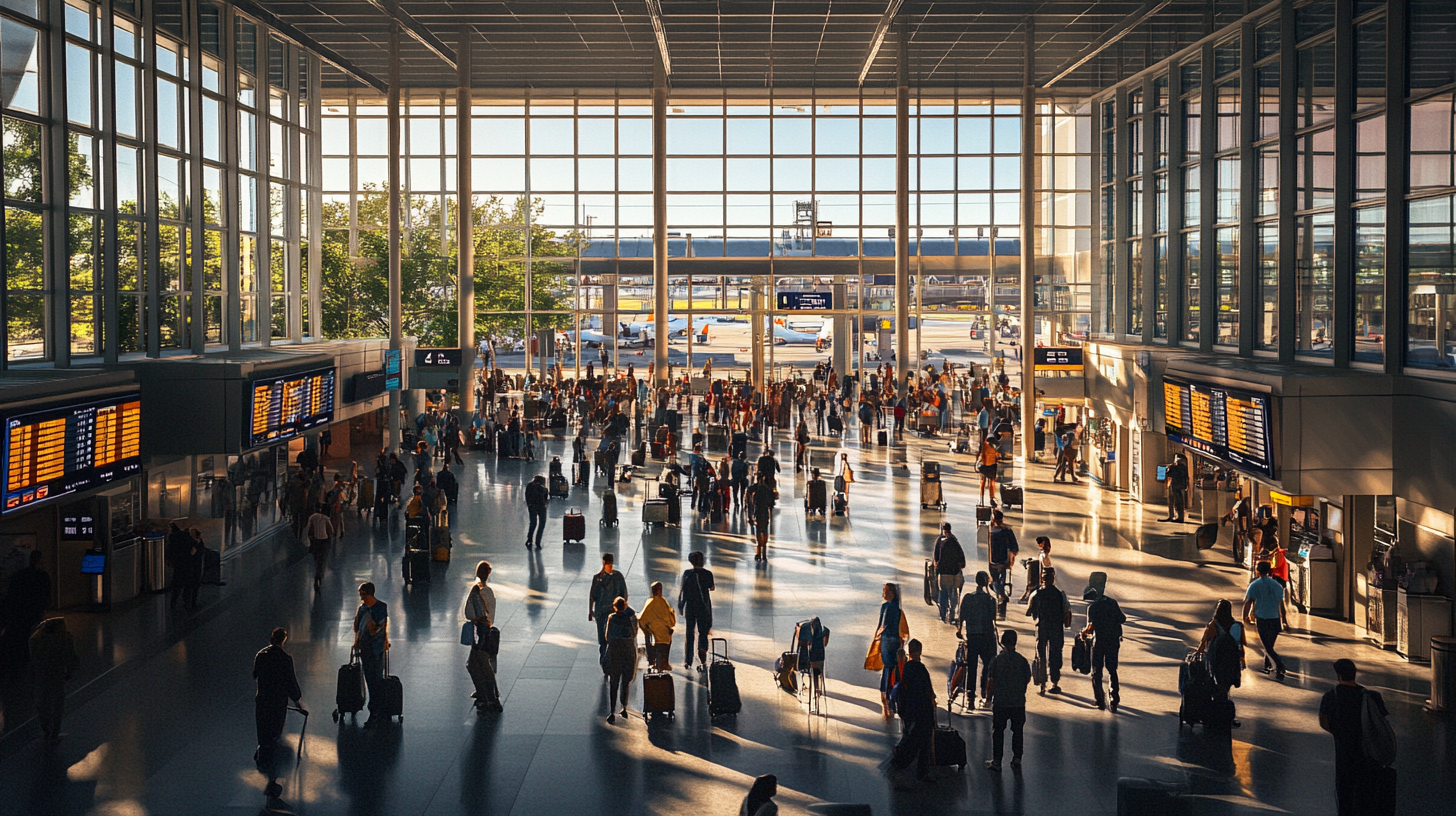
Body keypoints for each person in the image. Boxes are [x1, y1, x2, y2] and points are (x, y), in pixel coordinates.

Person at [1319, 659, 1392, 816]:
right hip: (1370, 754)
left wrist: (1338, 732)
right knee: (1368, 794)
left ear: (1339, 675)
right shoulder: (1372, 696)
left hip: (1344, 754)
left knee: (1345, 793)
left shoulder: (1330, 697)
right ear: (1355, 673)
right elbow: (1382, 721)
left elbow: (1324, 722)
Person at [887, 638, 937, 785]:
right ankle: (919, 772)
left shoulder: (906, 668)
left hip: (910, 709)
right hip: (922, 710)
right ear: (919, 652)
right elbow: (927, 691)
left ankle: (900, 764)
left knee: (911, 738)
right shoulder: (921, 669)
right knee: (922, 743)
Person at [252, 627, 304, 761]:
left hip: (263, 698)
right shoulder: (285, 659)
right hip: (278, 701)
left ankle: (262, 750)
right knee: (275, 728)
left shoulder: (261, 655)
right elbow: (291, 682)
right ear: (284, 640)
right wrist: (297, 701)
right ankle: (272, 759)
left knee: (263, 726)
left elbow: (254, 674)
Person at [984, 629, 1031, 771]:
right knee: (1018, 731)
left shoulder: (997, 660)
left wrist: (988, 698)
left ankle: (997, 761)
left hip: (1001, 702)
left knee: (998, 731)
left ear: (1002, 642)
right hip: (1018, 702)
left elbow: (991, 681)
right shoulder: (1022, 660)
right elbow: (1027, 678)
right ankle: (1017, 758)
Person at [1196, 598, 1247, 723]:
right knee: (1225, 685)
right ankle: (1225, 712)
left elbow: (1204, 642)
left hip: (1215, 660)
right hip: (1231, 661)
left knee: (1214, 683)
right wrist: (1242, 660)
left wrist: (1199, 653)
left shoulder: (1214, 625)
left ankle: (1213, 711)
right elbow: (1240, 644)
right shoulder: (1236, 626)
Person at [28, 616, 78, 745]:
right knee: (57, 705)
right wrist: (70, 670)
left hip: (41, 677)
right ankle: (55, 733)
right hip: (57, 675)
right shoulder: (63, 640)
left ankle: (46, 731)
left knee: (43, 704)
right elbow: (72, 657)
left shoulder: (36, 640)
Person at [463, 560, 503, 713]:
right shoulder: (489, 592)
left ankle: (488, 696)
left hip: (480, 633)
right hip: (487, 632)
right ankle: (490, 695)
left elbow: (469, 613)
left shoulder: (477, 592)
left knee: (476, 665)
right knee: (482, 665)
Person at [1081, 583, 1127, 711]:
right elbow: (1122, 619)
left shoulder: (1093, 607)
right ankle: (1114, 700)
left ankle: (1100, 700)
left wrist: (1083, 634)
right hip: (1113, 641)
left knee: (1096, 671)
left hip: (1099, 641)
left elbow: (1090, 627)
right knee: (1112, 670)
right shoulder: (1112, 603)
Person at [956, 571, 999, 709]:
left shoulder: (968, 598)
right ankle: (984, 693)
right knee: (988, 665)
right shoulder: (991, 600)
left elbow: (962, 615)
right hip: (987, 636)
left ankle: (970, 698)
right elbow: (993, 617)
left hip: (973, 636)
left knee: (972, 666)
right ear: (986, 582)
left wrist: (960, 630)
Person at [1, 549, 50, 669]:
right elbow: (46, 595)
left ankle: (17, 658)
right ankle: (30, 656)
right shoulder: (42, 576)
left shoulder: (18, 576)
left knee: (20, 633)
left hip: (19, 611)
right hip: (34, 610)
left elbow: (10, 595)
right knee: (33, 633)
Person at [1027, 566, 1071, 695]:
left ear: (1042, 579)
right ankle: (1055, 683)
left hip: (1042, 628)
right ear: (1053, 579)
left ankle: (1042, 684)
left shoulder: (1036, 594)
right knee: (1055, 654)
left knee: (1041, 654)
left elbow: (1029, 611)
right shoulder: (1060, 594)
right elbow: (1066, 611)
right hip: (1056, 629)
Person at [352, 582, 389, 728]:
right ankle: (376, 710)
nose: (361, 597)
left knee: (376, 679)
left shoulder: (380, 607)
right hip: (366, 648)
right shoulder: (362, 608)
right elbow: (357, 628)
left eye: (363, 593)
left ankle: (376, 710)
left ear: (369, 593)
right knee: (370, 678)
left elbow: (380, 628)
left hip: (376, 649)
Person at [1243, 560, 1288, 679]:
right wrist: (1284, 619)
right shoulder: (1277, 585)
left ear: (1258, 571)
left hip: (1262, 618)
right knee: (1269, 645)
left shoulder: (1254, 585)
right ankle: (1267, 665)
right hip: (1275, 618)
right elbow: (1281, 603)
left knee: (1267, 646)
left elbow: (1248, 602)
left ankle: (1279, 665)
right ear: (1269, 570)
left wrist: (1245, 617)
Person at [874, 582, 910, 717]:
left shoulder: (886, 607)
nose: (885, 594)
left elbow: (881, 626)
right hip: (894, 640)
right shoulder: (897, 609)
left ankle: (886, 691)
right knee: (893, 666)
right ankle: (890, 691)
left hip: (887, 641)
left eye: (887, 591)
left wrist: (878, 637)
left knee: (888, 667)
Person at [677, 551, 715, 671]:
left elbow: (683, 590)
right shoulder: (708, 574)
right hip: (703, 606)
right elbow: (712, 587)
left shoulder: (687, 573)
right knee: (703, 632)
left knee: (690, 632)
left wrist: (681, 606)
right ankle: (702, 657)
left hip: (690, 606)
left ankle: (688, 660)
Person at [589, 553, 629, 667]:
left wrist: (622, 607)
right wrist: (590, 610)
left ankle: (608, 659)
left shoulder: (617, 577)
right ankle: (604, 659)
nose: (610, 567)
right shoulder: (598, 578)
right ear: (604, 563)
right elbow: (592, 595)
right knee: (602, 638)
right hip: (601, 612)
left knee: (611, 637)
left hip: (613, 611)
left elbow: (624, 594)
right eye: (608, 564)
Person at [603, 596, 639, 722]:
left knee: (614, 681)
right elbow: (635, 633)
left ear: (614, 606)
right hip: (628, 650)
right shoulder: (631, 617)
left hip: (615, 652)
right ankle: (624, 706)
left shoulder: (611, 618)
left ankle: (612, 710)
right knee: (625, 681)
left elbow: (607, 636)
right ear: (625, 605)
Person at [932, 522, 967, 624]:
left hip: (944, 573)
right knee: (954, 593)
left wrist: (936, 570)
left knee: (944, 593)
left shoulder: (940, 541)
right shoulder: (954, 541)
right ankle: (952, 613)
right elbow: (961, 556)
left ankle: (943, 614)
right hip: (954, 572)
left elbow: (936, 557)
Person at [638, 581, 677, 671]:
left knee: (651, 639)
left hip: (653, 630)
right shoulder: (662, 601)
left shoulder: (650, 602)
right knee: (667, 640)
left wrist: (647, 629)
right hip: (663, 631)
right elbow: (669, 617)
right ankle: (665, 662)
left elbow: (643, 619)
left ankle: (653, 661)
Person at [988, 510, 1019, 617]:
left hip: (994, 563)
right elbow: (1014, 547)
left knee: (996, 583)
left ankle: (1001, 599)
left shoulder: (991, 531)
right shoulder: (1007, 531)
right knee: (999, 582)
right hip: (1004, 562)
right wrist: (1011, 559)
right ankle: (1001, 605)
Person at [796, 617, 831, 698]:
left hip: (806, 657)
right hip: (819, 656)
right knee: (818, 672)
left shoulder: (804, 628)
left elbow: (800, 642)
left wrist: (798, 629)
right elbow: (825, 644)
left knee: (807, 670)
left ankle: (805, 687)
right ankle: (818, 689)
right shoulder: (825, 630)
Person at [305, 503, 334, 590]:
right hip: (324, 541)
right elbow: (331, 531)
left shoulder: (313, 517)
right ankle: (320, 575)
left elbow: (308, 527)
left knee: (316, 558)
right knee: (322, 558)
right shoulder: (326, 518)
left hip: (315, 540)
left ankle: (317, 573)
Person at [1018, 536, 1053, 604]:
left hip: (1040, 575)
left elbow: (1045, 566)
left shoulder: (1042, 555)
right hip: (1040, 575)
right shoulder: (1043, 554)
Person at [750, 472, 776, 561]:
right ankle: (764, 551)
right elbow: (771, 503)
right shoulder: (768, 489)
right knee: (764, 530)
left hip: (758, 512)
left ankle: (758, 551)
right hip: (765, 512)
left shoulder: (756, 488)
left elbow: (748, 491)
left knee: (758, 531)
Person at [1161, 453, 1189, 522]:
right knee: (1177, 502)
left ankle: (1176, 516)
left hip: (1175, 485)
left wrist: (1169, 468)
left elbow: (1168, 474)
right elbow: (1186, 477)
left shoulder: (1175, 467)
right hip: (1179, 486)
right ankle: (1177, 516)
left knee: (1176, 502)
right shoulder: (1184, 468)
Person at [524, 474, 549, 549]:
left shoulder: (529, 486)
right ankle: (538, 541)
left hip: (532, 507)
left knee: (533, 523)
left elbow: (527, 496)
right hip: (541, 508)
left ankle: (529, 538)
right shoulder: (543, 489)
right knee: (541, 524)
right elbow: (545, 499)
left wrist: (529, 505)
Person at [977, 431, 1001, 507]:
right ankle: (992, 497)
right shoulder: (996, 446)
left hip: (983, 466)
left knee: (982, 482)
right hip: (992, 467)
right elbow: (998, 456)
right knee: (992, 483)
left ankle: (981, 499)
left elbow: (980, 455)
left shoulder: (984, 444)